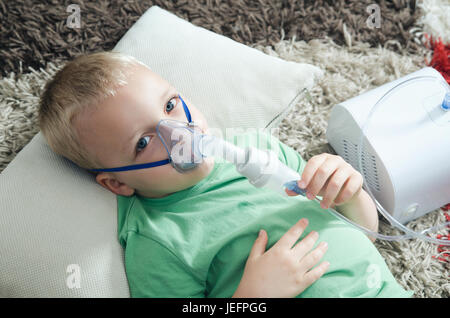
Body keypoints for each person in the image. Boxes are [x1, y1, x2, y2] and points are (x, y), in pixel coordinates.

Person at [38, 51, 414, 298]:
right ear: (118, 182)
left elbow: (366, 234)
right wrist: (253, 297)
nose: (177, 131)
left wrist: (348, 192)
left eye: (170, 105)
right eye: (143, 142)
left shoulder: (261, 148)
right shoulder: (158, 239)